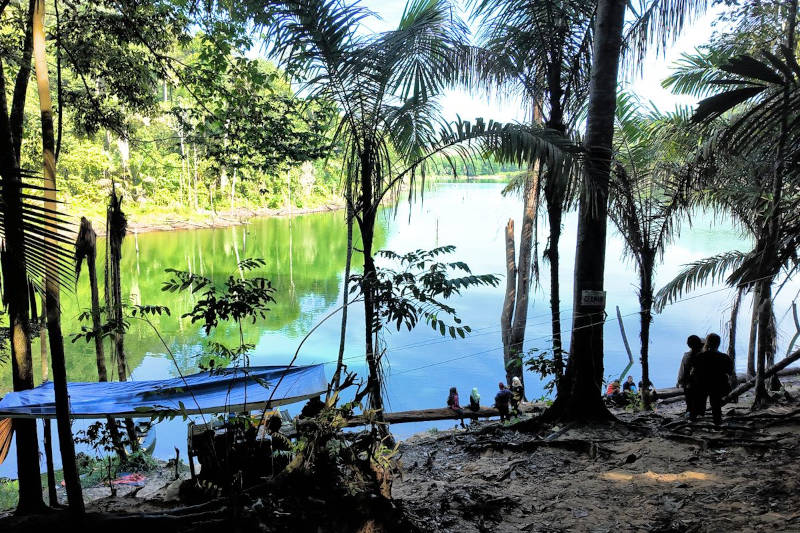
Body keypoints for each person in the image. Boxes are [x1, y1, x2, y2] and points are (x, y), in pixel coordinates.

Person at [691, 333, 734, 427]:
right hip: (718, 385)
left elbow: (693, 372)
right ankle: (717, 424)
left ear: (707, 343)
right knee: (716, 406)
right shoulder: (724, 357)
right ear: (718, 344)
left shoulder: (699, 356)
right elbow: (730, 372)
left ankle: (693, 422)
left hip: (702, 384)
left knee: (697, 403)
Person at [677, 335, 704, 417]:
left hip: (689, 384)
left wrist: (679, 381)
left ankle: (691, 414)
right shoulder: (703, 356)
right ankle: (698, 414)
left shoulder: (686, 356)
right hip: (701, 384)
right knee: (700, 402)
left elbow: (682, 370)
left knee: (690, 402)